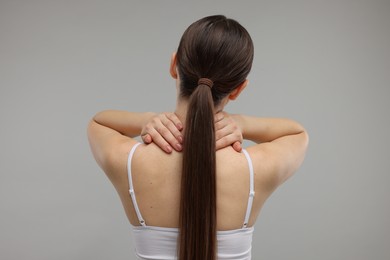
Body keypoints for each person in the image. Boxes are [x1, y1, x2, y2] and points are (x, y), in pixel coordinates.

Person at [88, 15, 308, 260]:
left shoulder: (129, 161)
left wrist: (147, 120)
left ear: (174, 65)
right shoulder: (254, 168)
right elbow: (297, 133)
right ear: (237, 89)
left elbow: (99, 122)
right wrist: (242, 123)